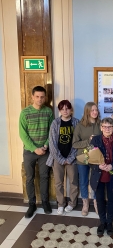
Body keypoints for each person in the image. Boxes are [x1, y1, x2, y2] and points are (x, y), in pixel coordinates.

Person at [19, 86, 54, 218]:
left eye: (42, 97)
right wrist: (35, 148)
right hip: (29, 151)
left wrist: (45, 146)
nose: (40, 99)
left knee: (44, 176)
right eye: (37, 96)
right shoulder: (25, 113)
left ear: (45, 97)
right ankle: (32, 204)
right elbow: (23, 134)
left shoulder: (48, 112)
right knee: (30, 178)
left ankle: (45, 202)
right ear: (32, 97)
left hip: (45, 150)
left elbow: (51, 131)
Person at [46, 100, 79, 215]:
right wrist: (59, 158)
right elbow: (52, 142)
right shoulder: (55, 123)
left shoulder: (76, 122)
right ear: (59, 110)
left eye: (67, 108)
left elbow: (78, 142)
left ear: (71, 110)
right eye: (62, 109)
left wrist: (70, 158)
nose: (65, 111)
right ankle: (60, 204)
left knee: (73, 182)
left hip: (72, 158)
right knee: (58, 183)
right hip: (57, 158)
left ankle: (72, 203)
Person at [72, 102, 101, 216]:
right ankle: (85, 204)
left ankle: (96, 203)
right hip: (82, 158)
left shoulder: (100, 124)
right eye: (92, 110)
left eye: (96, 110)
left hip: (96, 158)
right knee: (83, 182)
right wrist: (88, 141)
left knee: (95, 182)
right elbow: (75, 144)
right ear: (87, 111)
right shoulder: (80, 126)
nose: (95, 112)